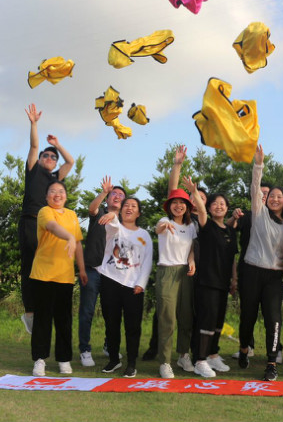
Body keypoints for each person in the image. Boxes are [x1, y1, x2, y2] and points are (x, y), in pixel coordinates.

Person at [237, 144, 283, 381]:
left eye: (279, 197)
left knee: (273, 318)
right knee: (248, 317)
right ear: (265, 199)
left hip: (273, 277)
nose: (274, 199)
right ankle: (243, 350)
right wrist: (258, 164)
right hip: (251, 272)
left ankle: (271, 362)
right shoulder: (258, 213)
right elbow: (254, 187)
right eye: (271, 196)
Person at [19, 104, 74, 335]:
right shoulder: (33, 170)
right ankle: (30, 312)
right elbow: (34, 145)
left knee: (50, 264)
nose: (50, 157)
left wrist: (59, 144)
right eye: (47, 155)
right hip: (31, 222)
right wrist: (34, 124)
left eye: (53, 156)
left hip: (50, 227)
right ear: (40, 159)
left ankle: (46, 309)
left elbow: (70, 162)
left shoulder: (55, 179)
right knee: (30, 264)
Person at [30, 181, 87, 377]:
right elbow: (53, 227)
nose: (57, 194)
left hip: (65, 275)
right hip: (43, 273)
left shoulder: (71, 215)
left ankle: (64, 359)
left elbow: (78, 243)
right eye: (52, 191)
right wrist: (68, 237)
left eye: (61, 191)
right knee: (42, 319)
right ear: (47, 197)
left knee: (64, 320)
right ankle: (39, 359)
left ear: (66, 196)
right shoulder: (45, 212)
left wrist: (82, 269)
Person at [186, 177, 240, 378]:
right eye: (215, 204)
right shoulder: (206, 226)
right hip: (206, 282)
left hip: (223, 284)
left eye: (222, 204)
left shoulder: (230, 231)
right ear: (209, 208)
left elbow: (232, 257)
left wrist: (234, 280)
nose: (219, 206)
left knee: (218, 322)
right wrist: (193, 191)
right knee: (206, 321)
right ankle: (200, 359)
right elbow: (199, 210)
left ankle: (212, 354)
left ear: (227, 208)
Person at [97, 195, 153, 378]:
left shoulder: (144, 235)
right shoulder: (114, 228)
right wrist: (112, 216)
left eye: (134, 206)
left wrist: (141, 284)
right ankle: (114, 359)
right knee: (111, 324)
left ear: (139, 212)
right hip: (110, 280)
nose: (129, 208)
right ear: (120, 210)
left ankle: (131, 363)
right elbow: (112, 224)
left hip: (133, 286)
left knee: (132, 327)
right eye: (126, 205)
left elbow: (147, 262)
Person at [155, 149, 198, 379]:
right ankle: (165, 362)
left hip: (186, 274)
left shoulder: (191, 227)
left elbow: (191, 248)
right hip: (167, 273)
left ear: (187, 206)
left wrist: (191, 261)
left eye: (182, 203)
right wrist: (177, 166)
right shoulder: (164, 221)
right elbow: (158, 229)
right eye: (175, 203)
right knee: (167, 318)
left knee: (185, 316)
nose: (178, 206)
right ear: (169, 206)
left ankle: (183, 355)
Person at [78, 177, 126, 367]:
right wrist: (104, 192)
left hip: (113, 273)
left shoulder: (125, 221)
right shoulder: (98, 214)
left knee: (112, 313)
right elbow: (91, 208)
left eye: (121, 195)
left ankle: (109, 345)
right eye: (114, 193)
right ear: (108, 199)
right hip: (92, 269)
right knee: (87, 311)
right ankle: (85, 349)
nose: (117, 196)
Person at [231, 180, 271, 361]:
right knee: (248, 312)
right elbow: (227, 228)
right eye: (259, 193)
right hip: (248, 270)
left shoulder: (277, 217)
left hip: (271, 271)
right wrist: (233, 216)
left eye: (266, 193)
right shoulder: (246, 215)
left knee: (272, 313)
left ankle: (276, 349)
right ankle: (247, 346)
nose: (262, 196)